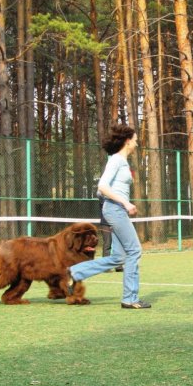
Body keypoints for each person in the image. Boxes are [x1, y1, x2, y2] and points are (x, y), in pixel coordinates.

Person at [67, 124, 150, 309]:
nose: (137, 143)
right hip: (116, 210)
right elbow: (103, 186)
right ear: (128, 141)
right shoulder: (116, 160)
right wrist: (125, 203)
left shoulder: (121, 161)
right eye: (135, 140)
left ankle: (75, 272)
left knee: (119, 257)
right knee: (134, 251)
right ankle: (130, 299)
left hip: (115, 209)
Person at [98, 197, 122, 272]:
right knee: (107, 244)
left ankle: (118, 266)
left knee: (118, 244)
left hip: (116, 222)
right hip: (105, 224)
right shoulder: (103, 196)